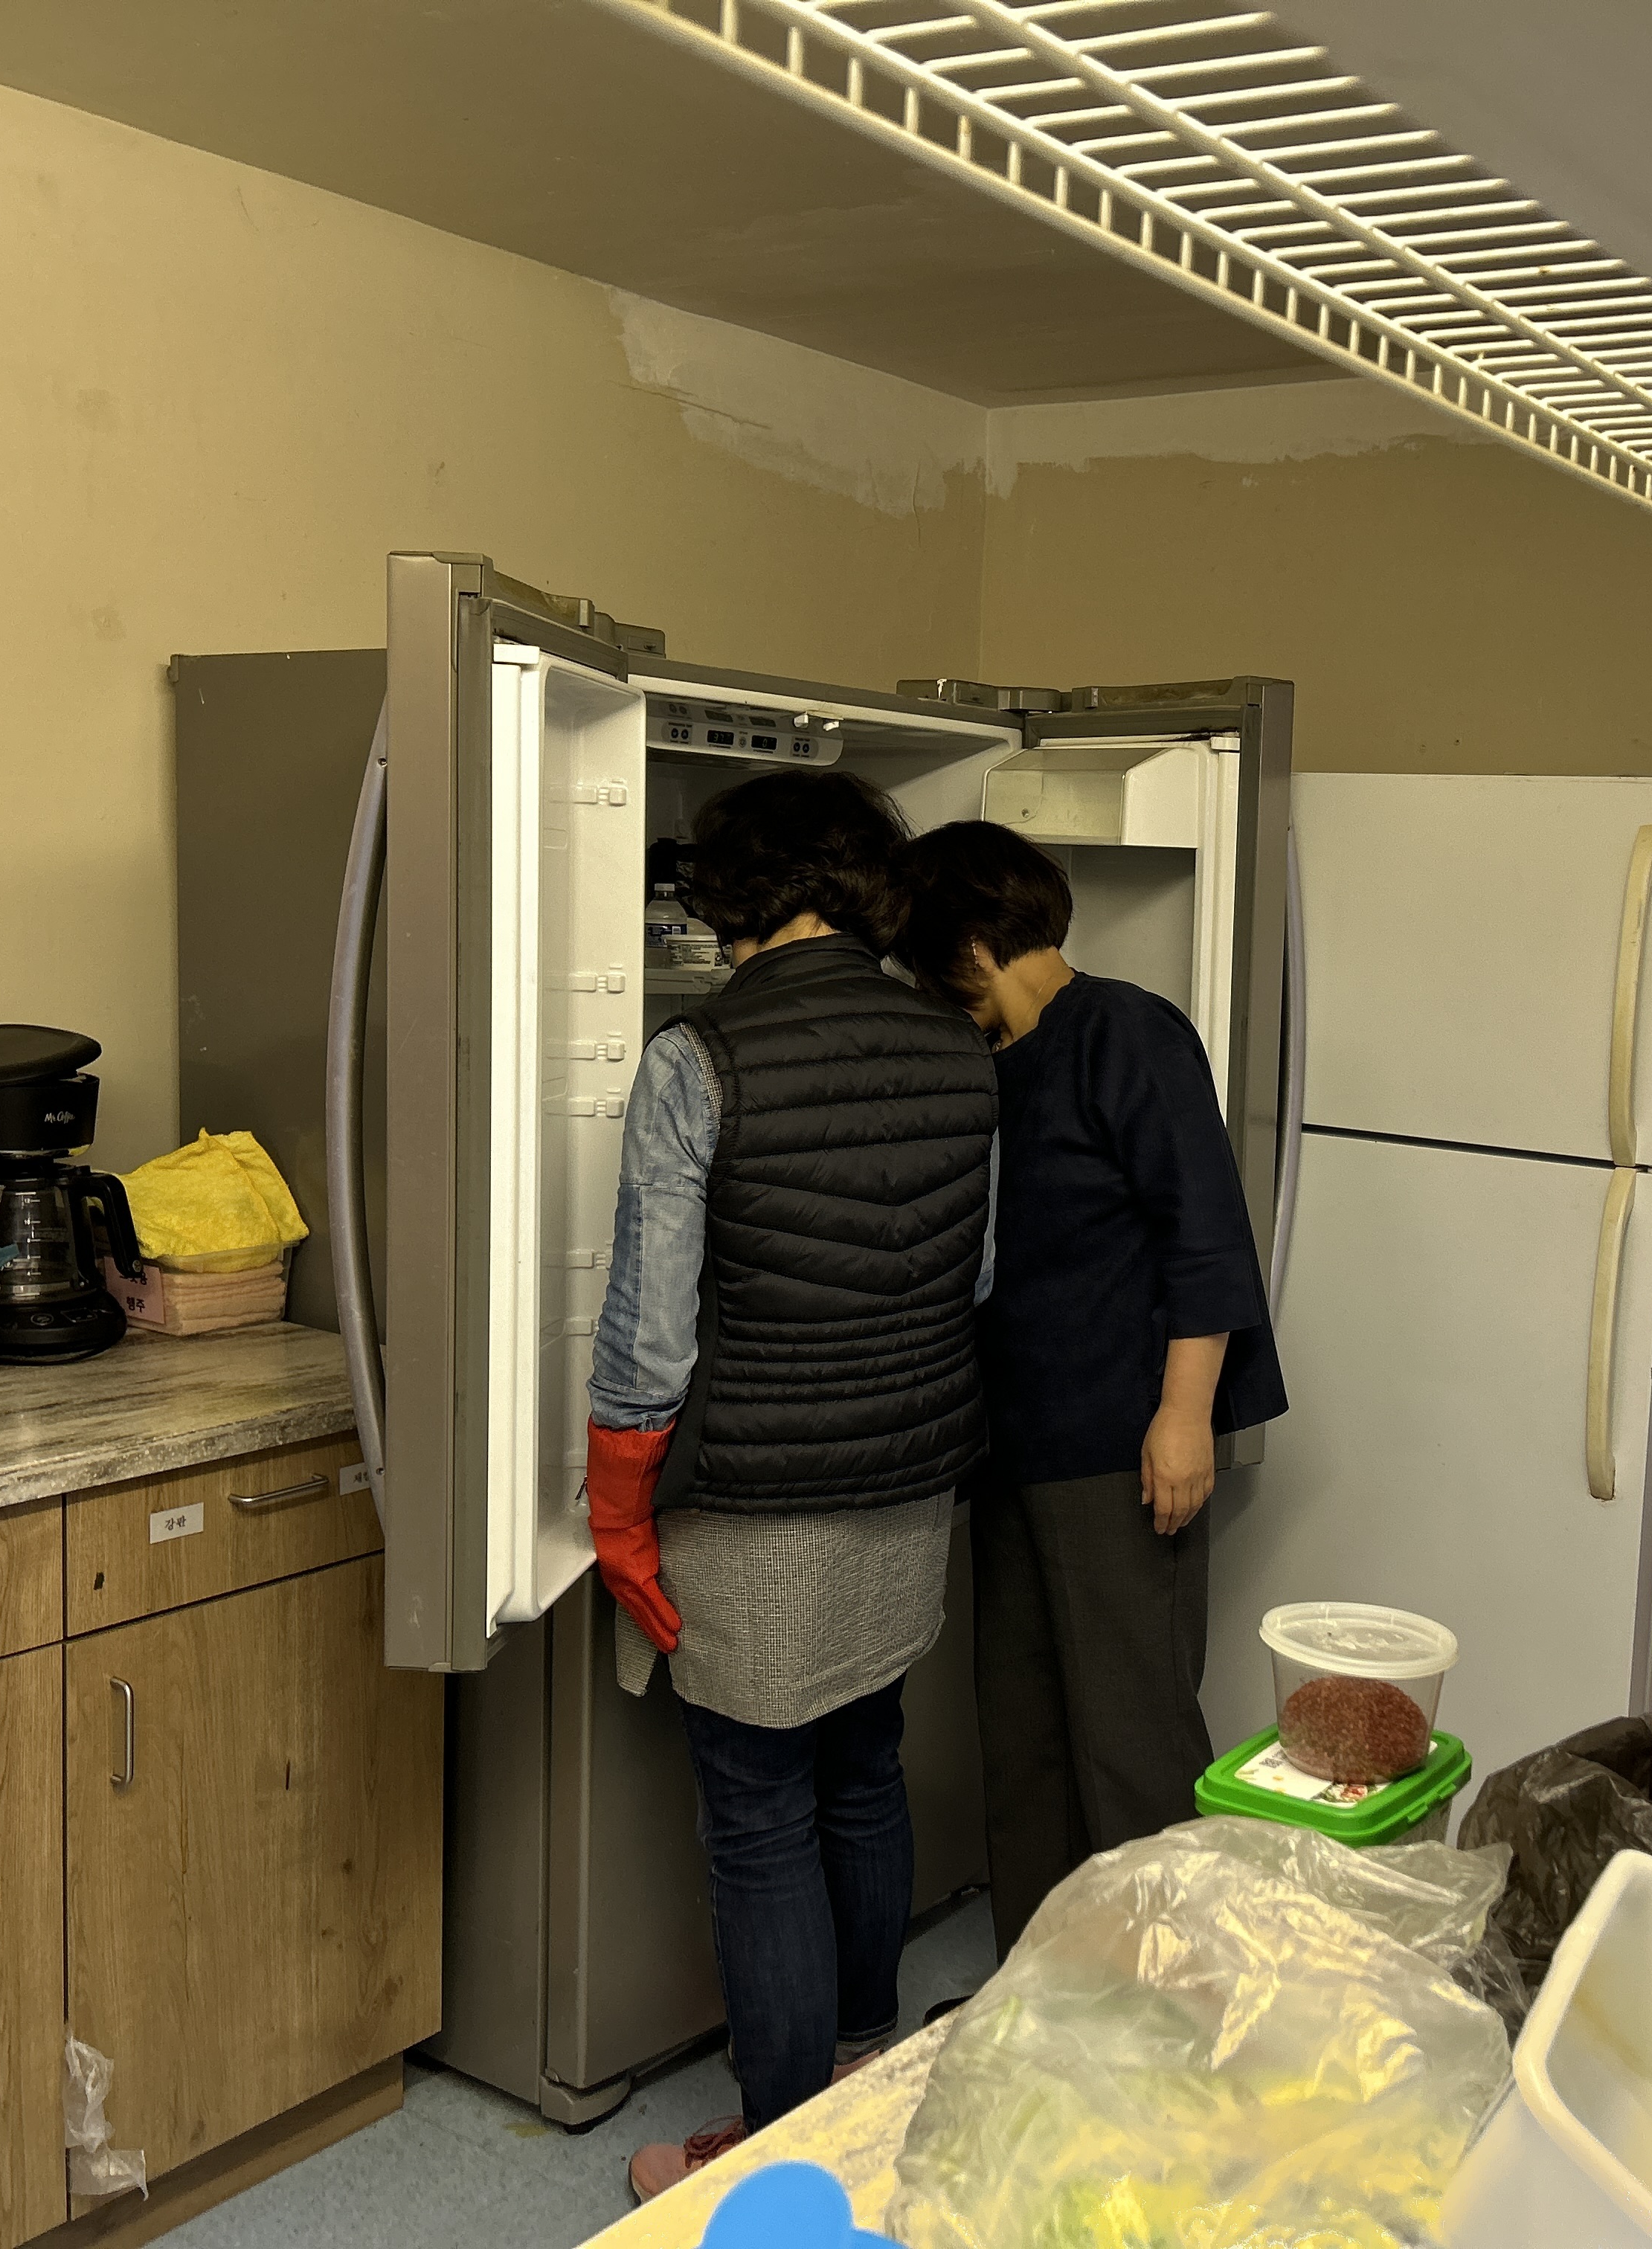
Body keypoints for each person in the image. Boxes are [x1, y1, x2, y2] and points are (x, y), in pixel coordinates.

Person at [585, 772, 997, 2199]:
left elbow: (651, 1333)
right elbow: (973, 1277)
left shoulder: (698, 1058)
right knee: (865, 1763)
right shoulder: (956, 1042)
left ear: (734, 892)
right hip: (910, 1477)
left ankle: (773, 2153)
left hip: (755, 1499)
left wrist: (618, 1509)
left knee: (759, 1812)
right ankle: (866, 2061)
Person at [892, 820, 1288, 1955]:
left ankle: (1165, 2003)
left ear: (972, 948)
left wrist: (1184, 1416)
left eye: (929, 965)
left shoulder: (1125, 1031)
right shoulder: (989, 1060)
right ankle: (1043, 1992)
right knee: (1022, 1740)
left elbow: (1205, 1235)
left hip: (1120, 1446)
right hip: (1012, 1449)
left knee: (1130, 1741)